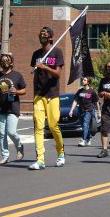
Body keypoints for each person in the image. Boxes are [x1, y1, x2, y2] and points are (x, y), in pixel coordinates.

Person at [29, 26, 65, 170]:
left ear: (50, 37)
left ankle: (61, 153)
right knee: (38, 126)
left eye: (45, 34)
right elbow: (35, 76)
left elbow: (57, 74)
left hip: (52, 94)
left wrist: (44, 67)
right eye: (40, 33)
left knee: (52, 125)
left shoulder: (57, 52)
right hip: (39, 95)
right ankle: (40, 160)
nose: (42, 35)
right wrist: (34, 94)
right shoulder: (36, 54)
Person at [0, 53, 26, 165]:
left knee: (11, 132)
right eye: (2, 60)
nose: (4, 62)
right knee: (2, 134)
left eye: (6, 60)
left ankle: (19, 147)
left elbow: (24, 90)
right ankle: (5, 156)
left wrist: (16, 92)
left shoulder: (17, 75)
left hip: (13, 108)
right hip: (0, 109)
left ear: (11, 62)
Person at [69, 76, 101, 147]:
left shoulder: (92, 91)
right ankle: (89, 137)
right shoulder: (79, 91)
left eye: (84, 80)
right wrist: (71, 110)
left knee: (86, 124)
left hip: (88, 110)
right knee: (84, 126)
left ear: (88, 82)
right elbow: (75, 101)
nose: (83, 81)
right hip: (80, 110)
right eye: (83, 80)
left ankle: (83, 140)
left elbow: (96, 102)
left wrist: (99, 112)